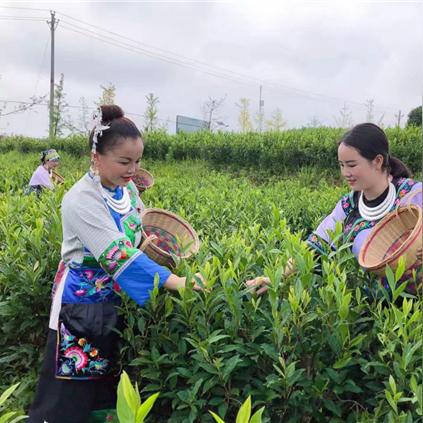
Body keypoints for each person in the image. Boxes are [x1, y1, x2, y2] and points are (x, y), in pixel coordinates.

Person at [28, 105, 205, 423]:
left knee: (104, 393)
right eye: (124, 162)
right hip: (79, 307)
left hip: (115, 302)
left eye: (137, 161)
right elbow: (117, 254)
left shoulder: (129, 191)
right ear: (97, 157)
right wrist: (173, 282)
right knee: (68, 396)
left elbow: (136, 237)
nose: (133, 169)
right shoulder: (81, 199)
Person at [247, 123, 422, 295]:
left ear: (377, 161)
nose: (345, 173)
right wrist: (277, 277)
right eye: (341, 165)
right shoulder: (348, 207)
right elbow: (314, 247)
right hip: (379, 312)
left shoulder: (413, 193)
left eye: (352, 165)